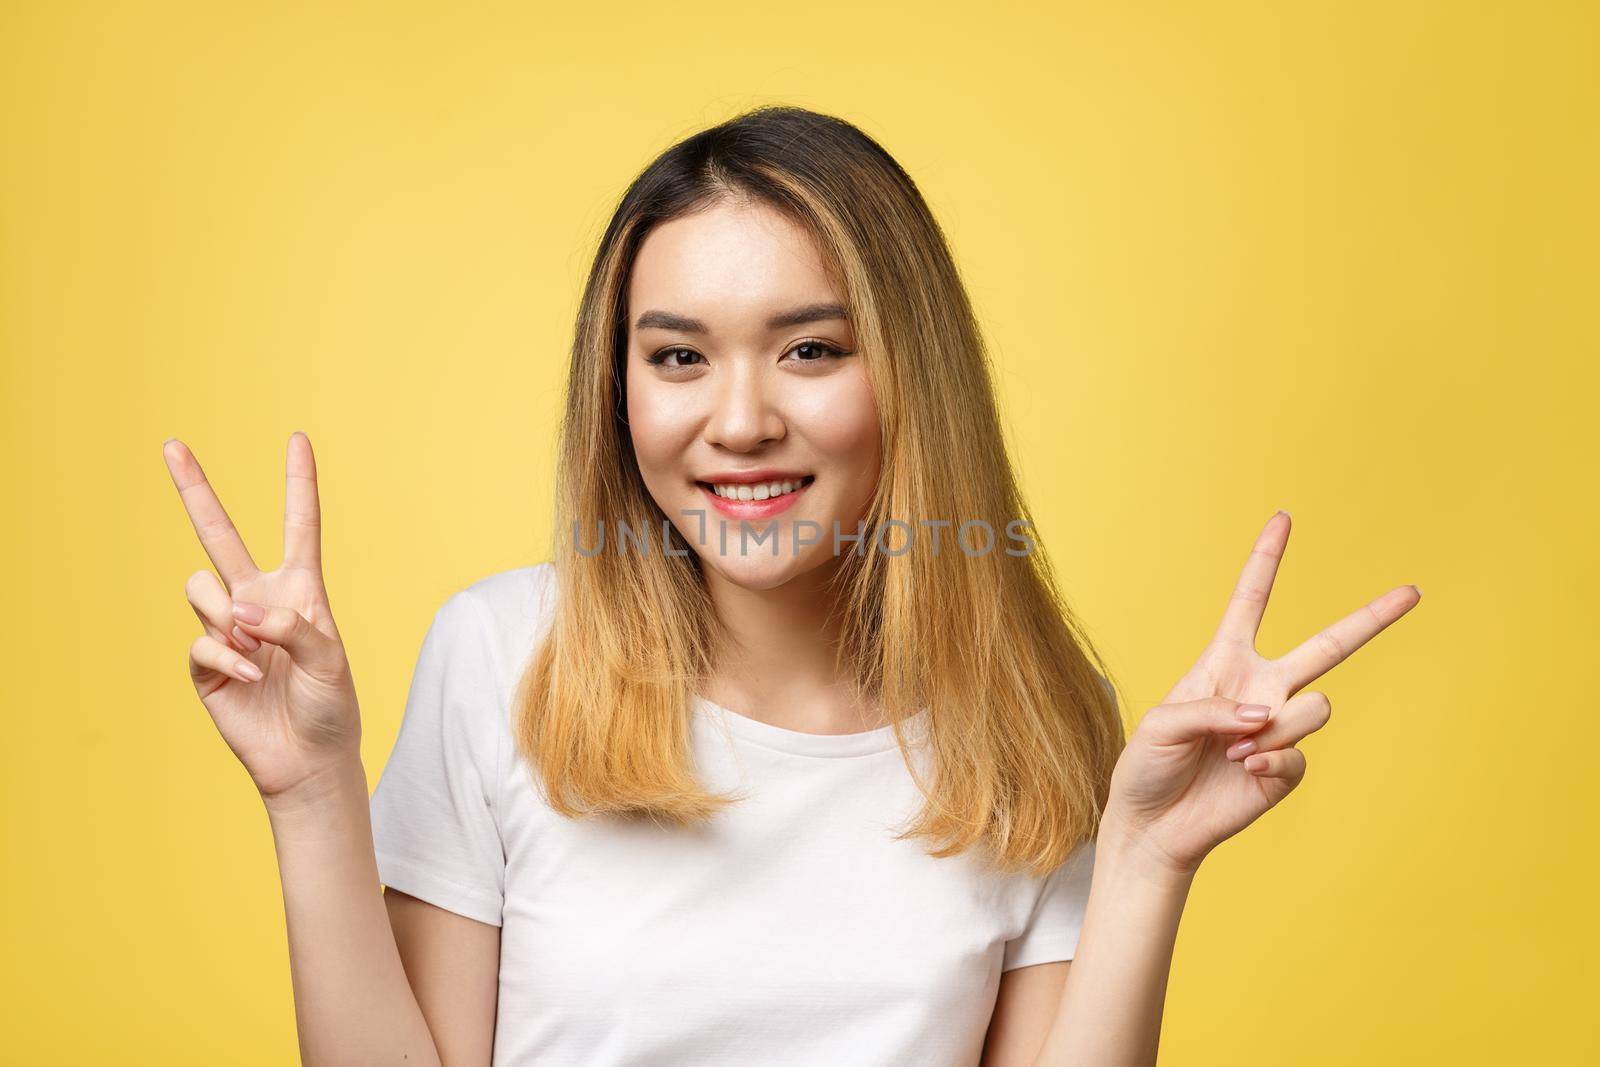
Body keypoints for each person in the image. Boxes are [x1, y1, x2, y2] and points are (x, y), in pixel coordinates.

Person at [162, 105, 1421, 1066]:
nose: (741, 419)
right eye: (678, 356)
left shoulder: (1029, 708)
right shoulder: (502, 653)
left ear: (909, 376)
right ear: (622, 390)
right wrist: (309, 791)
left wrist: (1146, 858)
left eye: (810, 349)